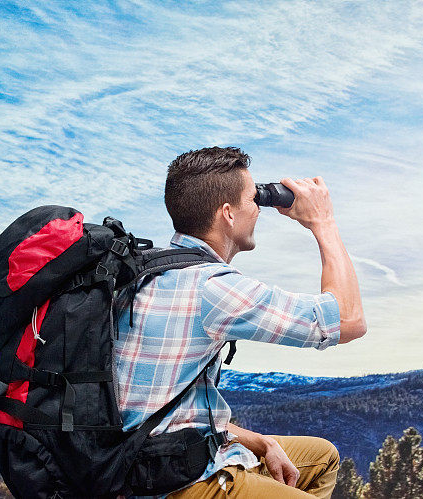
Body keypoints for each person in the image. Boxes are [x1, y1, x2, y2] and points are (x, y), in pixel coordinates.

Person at [113, 146, 366, 498]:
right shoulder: (213, 288)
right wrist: (323, 222)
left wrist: (258, 442)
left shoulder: (142, 269)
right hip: (172, 481)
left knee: (321, 456)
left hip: (136, 460)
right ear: (228, 215)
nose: (259, 210)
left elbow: (158, 411)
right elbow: (349, 320)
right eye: (254, 199)